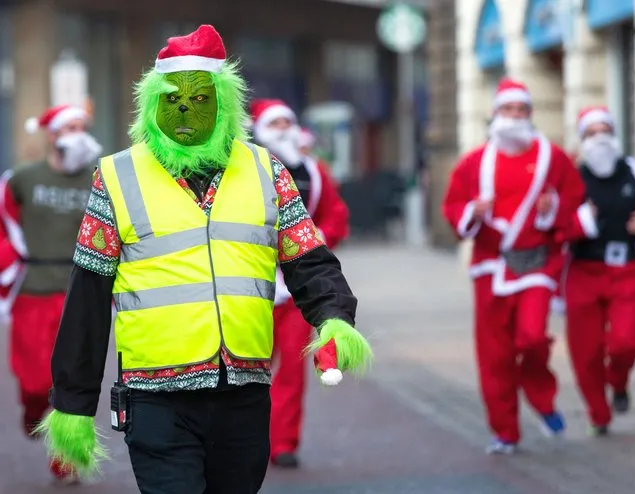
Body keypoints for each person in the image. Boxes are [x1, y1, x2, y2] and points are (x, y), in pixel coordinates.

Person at [37, 25, 372, 494]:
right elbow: (87, 296)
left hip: (245, 395)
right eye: (173, 100)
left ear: (224, 104)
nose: (186, 113)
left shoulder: (265, 170)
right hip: (155, 401)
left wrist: (333, 318)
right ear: (153, 105)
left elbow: (309, 258)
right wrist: (73, 402)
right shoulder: (116, 176)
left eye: (200, 99)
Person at [441, 78, 584, 455]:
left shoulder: (552, 158)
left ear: (530, 116)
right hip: (490, 267)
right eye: (508, 110)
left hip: (535, 264)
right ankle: (504, 431)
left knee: (533, 337)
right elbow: (453, 205)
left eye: (521, 111)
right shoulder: (475, 162)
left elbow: (574, 202)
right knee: (495, 353)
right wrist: (474, 211)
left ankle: (540, 396)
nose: (515, 117)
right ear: (495, 114)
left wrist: (552, 210)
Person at [0, 104, 101, 481]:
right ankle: (31, 411)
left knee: (69, 381)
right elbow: (3, 223)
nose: (76, 132)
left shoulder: (99, 179)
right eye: (69, 126)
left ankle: (66, 459)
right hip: (33, 291)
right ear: (53, 134)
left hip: (79, 292)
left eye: (82, 126)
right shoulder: (23, 178)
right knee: (33, 383)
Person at [250, 99, 350, 468]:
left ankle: (284, 444)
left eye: (285, 121)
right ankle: (248, 439)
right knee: (249, 367)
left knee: (292, 366)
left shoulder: (314, 171)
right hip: (251, 285)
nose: (281, 129)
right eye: (272, 123)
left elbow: (336, 216)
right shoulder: (242, 169)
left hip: (296, 287)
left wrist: (320, 237)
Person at [558, 106, 635, 436]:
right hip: (583, 272)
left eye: (604, 130)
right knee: (586, 351)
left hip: (628, 271)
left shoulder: (633, 170)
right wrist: (581, 221)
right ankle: (598, 412)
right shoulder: (571, 178)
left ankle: (617, 383)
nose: (599, 138)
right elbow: (556, 228)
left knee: (626, 342)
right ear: (581, 139)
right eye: (591, 133)